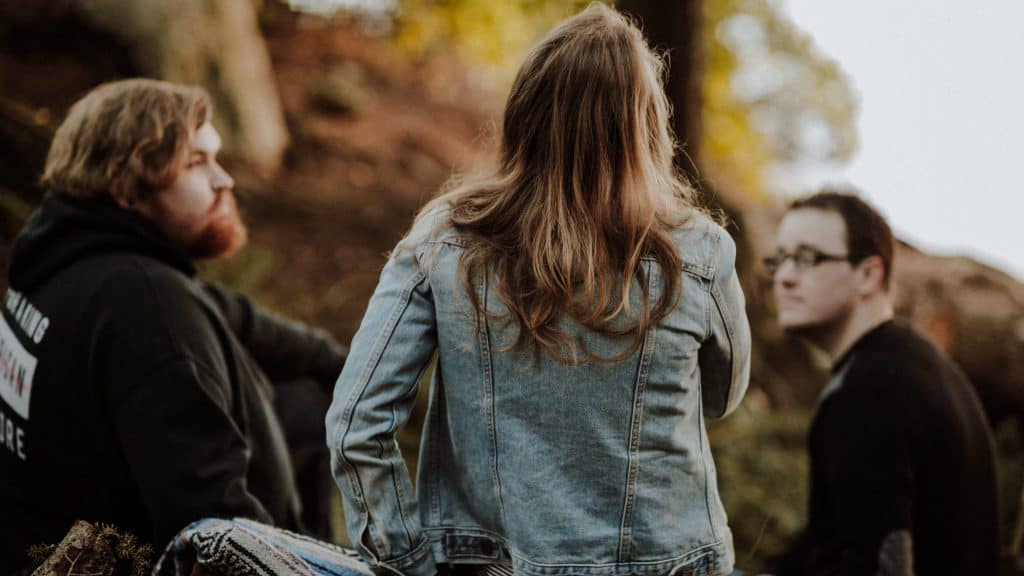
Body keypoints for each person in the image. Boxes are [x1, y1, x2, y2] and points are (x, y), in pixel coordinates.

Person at [326, 5, 751, 576]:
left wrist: (408, 561)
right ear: (648, 125)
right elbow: (721, 398)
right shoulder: (698, 253)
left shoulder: (446, 239)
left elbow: (356, 425)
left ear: (524, 111)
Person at [0, 79, 344, 574]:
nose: (224, 180)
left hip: (52, 527)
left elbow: (234, 315)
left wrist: (348, 368)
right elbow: (219, 532)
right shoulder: (148, 310)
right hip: (114, 558)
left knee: (307, 397)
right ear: (126, 185)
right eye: (196, 163)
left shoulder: (61, 256)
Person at [764, 190, 998, 575]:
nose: (785, 278)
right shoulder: (912, 363)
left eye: (807, 259)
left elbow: (873, 565)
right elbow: (839, 537)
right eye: (781, 260)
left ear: (869, 274)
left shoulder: (869, 392)